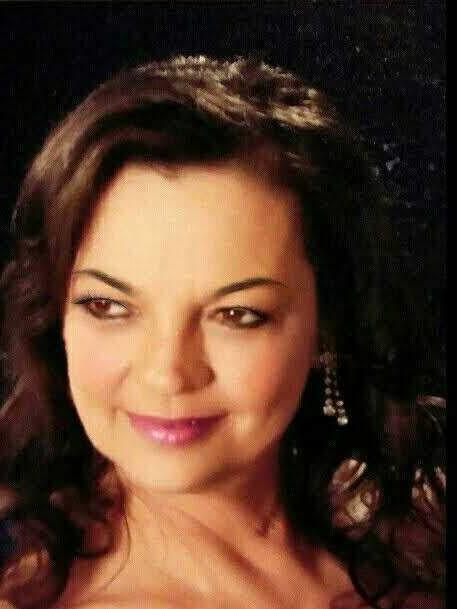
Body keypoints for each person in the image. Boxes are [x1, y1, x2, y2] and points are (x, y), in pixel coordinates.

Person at [0, 56, 445, 609]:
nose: (167, 373)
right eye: (109, 306)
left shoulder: (412, 530)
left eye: (236, 314)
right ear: (57, 318)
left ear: (327, 327)